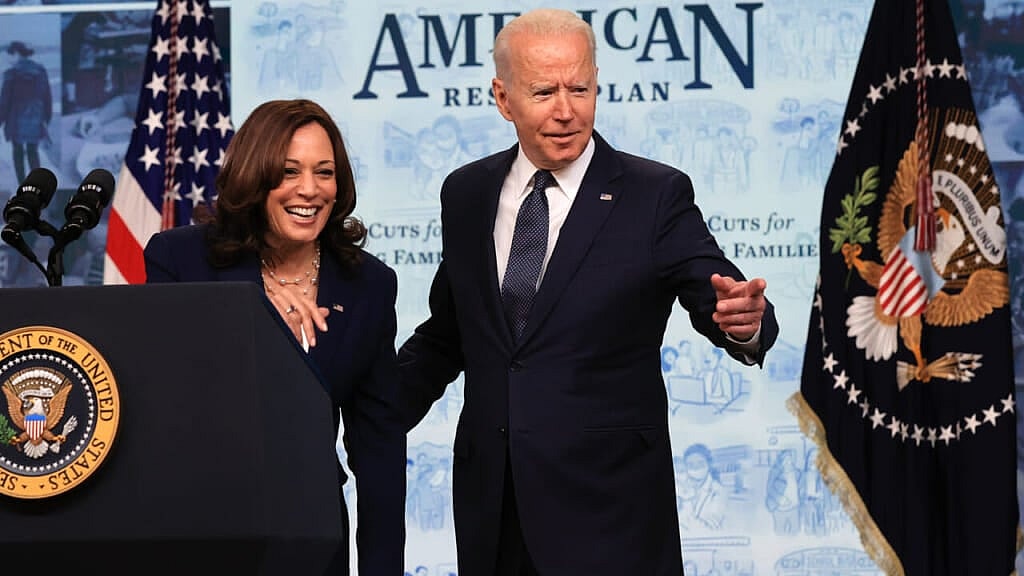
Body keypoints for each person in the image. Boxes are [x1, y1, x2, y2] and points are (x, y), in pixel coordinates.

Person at [396, 8, 778, 575]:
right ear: (503, 99)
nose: (566, 110)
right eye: (543, 92)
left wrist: (745, 322)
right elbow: (452, 333)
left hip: (611, 513)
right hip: (493, 512)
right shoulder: (466, 193)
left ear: (597, 83)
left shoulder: (655, 194)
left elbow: (718, 291)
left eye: (579, 88)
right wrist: (369, 412)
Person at [143, 99, 405, 575]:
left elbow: (379, 446)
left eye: (324, 172)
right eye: (288, 171)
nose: (310, 189)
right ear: (253, 175)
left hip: (310, 534)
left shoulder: (368, 284)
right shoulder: (180, 260)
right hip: (198, 527)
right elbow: (164, 403)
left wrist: (381, 567)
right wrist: (252, 325)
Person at [0, 41, 52, 185]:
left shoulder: (11, 73)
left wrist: (0, 120)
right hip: (36, 117)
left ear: (16, 53)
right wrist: (46, 118)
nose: (7, 58)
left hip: (15, 118)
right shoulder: (41, 71)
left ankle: (22, 184)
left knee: (17, 151)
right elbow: (47, 96)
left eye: (9, 54)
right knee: (33, 151)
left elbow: (4, 102)